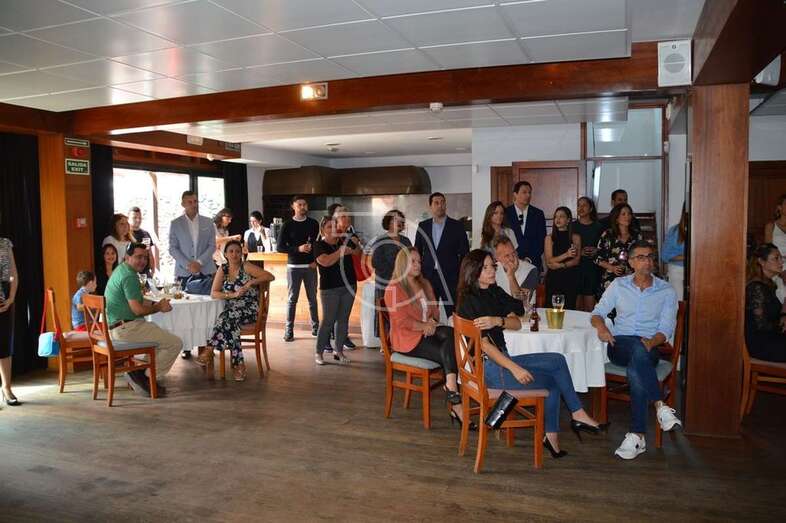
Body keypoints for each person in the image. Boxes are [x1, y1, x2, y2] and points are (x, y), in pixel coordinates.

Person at [456, 249, 604, 457]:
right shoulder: (469, 301)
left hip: (502, 359)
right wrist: (515, 369)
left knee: (557, 359)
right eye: (486, 267)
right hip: (490, 368)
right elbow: (485, 346)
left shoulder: (493, 291)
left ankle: (573, 417)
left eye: (492, 266)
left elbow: (518, 318)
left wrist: (498, 320)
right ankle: (559, 430)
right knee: (552, 382)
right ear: (473, 271)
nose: (492, 271)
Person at [591, 240, 681, 460]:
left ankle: (637, 435)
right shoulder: (619, 285)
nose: (647, 261)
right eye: (641, 257)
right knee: (637, 351)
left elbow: (666, 329)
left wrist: (651, 342)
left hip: (650, 346)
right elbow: (597, 312)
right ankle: (660, 405)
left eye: (650, 257)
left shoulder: (666, 290)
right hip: (620, 345)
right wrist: (602, 328)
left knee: (636, 367)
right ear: (631, 262)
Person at [384, 247, 465, 424]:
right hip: (407, 340)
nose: (418, 265)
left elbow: (434, 310)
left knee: (452, 334)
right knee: (452, 351)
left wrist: (432, 321)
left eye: (419, 261)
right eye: (412, 261)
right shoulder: (394, 289)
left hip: (427, 332)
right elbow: (402, 321)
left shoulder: (425, 284)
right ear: (402, 263)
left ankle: (451, 389)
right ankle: (455, 400)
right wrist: (424, 326)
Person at [105, 243, 183, 397]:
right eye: (138, 257)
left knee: (159, 337)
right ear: (127, 257)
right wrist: (159, 307)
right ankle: (147, 377)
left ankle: (140, 373)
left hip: (115, 327)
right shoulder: (129, 276)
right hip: (126, 329)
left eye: (145, 257)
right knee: (175, 343)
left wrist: (155, 304)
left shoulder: (121, 270)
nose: (143, 261)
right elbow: (138, 310)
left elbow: (136, 301)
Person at [203, 240, 274, 381]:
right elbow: (214, 293)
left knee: (226, 317)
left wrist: (251, 282)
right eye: (231, 251)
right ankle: (238, 365)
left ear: (241, 254)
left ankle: (210, 349)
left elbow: (270, 276)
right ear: (225, 254)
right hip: (232, 312)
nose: (234, 254)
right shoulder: (223, 269)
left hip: (250, 309)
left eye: (237, 251)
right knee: (230, 322)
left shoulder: (246, 266)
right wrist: (232, 295)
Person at [169, 190, 217, 358]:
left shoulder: (208, 222)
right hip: (184, 271)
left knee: (205, 309)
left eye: (195, 201)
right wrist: (188, 264)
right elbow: (172, 248)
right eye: (190, 202)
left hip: (206, 270)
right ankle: (186, 347)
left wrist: (199, 262)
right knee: (185, 310)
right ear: (183, 204)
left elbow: (212, 246)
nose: (193, 204)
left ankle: (206, 345)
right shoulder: (175, 223)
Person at [414, 192, 469, 318]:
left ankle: (455, 331)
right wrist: (418, 275)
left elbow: (465, 253)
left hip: (451, 278)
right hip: (428, 277)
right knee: (428, 313)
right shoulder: (423, 226)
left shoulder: (457, 226)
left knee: (455, 313)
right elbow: (417, 251)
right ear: (430, 206)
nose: (440, 206)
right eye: (436, 203)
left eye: (442, 202)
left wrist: (461, 276)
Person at [314, 216, 359, 365]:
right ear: (323, 231)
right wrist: (341, 252)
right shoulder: (318, 245)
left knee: (343, 320)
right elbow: (325, 261)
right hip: (330, 289)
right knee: (328, 321)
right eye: (329, 227)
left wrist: (355, 244)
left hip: (349, 285)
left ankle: (338, 351)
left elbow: (358, 254)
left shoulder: (344, 241)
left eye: (335, 226)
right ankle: (319, 352)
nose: (333, 229)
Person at [276, 195, 320, 342]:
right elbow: (280, 247)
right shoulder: (287, 225)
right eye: (299, 204)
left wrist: (316, 260)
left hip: (310, 266)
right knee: (292, 299)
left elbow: (317, 244)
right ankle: (289, 330)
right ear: (293, 206)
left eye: (304, 204)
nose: (302, 207)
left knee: (312, 299)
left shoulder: (313, 223)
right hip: (293, 266)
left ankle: (316, 328)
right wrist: (298, 249)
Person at [369, 209, 412, 337]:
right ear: (388, 222)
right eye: (395, 219)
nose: (399, 222)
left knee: (401, 312)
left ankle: (400, 339)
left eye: (400, 220)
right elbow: (376, 262)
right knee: (384, 312)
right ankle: (385, 340)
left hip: (403, 284)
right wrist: (395, 272)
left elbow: (411, 260)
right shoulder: (380, 240)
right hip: (385, 284)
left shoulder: (406, 241)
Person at [745, 243, 786, 362]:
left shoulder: (768, 285)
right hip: (761, 345)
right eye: (776, 258)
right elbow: (761, 326)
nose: (781, 262)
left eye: (781, 258)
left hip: (771, 339)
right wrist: (782, 320)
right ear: (761, 261)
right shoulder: (756, 287)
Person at [595, 203, 642, 300]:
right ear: (616, 218)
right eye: (623, 214)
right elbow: (597, 257)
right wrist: (612, 268)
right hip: (611, 280)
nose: (627, 217)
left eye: (629, 214)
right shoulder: (608, 235)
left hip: (632, 280)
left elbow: (643, 256)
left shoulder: (637, 236)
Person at [544, 206, 581, 310]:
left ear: (568, 220)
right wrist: (566, 255)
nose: (558, 219)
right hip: (554, 278)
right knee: (552, 309)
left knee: (569, 308)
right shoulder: (549, 238)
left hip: (570, 277)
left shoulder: (575, 237)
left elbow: (576, 260)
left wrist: (562, 265)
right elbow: (549, 260)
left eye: (561, 216)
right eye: (556, 217)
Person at [504, 181, 547, 271]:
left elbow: (541, 240)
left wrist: (529, 259)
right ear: (515, 194)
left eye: (529, 193)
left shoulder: (538, 214)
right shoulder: (505, 213)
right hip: (511, 264)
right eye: (524, 192)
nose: (528, 195)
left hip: (533, 263)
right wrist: (515, 259)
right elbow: (503, 239)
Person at [573, 197, 604, 311]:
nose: (580, 208)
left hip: (592, 269)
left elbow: (605, 247)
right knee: (575, 307)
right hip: (575, 268)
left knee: (589, 308)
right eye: (578, 205)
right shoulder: (572, 226)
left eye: (584, 205)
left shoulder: (599, 227)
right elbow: (565, 247)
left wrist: (597, 250)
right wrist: (579, 252)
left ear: (591, 208)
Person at [0, 236, 19, 406]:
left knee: (4, 344)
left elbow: (13, 274)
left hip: (4, 297)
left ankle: (6, 388)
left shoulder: (5, 243)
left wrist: (11, 298)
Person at [493, 236, 538, 303]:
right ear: (497, 258)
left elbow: (520, 301)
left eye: (513, 253)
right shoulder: (494, 269)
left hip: (524, 309)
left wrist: (511, 275)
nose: (512, 258)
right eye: (507, 255)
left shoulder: (531, 270)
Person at [661, 203, 688, 301]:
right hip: (678, 270)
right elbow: (664, 256)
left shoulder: (702, 230)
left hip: (697, 271)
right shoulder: (674, 231)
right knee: (679, 302)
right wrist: (686, 257)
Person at [128, 206, 157, 276]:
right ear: (128, 218)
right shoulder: (126, 234)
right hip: (130, 273)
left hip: (145, 273)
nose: (138, 220)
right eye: (134, 218)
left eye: (140, 218)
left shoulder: (145, 234)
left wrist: (153, 270)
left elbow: (149, 253)